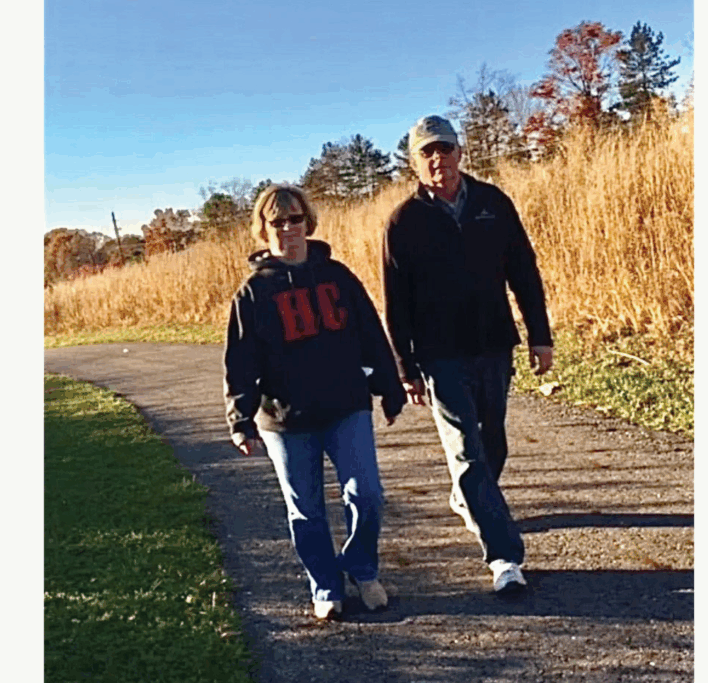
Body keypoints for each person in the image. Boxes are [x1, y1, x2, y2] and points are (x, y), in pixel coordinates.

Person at [381, 115, 554, 595]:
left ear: (459, 152)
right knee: (466, 449)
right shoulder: (404, 221)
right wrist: (405, 368)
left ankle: (469, 499)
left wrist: (540, 334)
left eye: (445, 149)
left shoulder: (492, 204)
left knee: (493, 440)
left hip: (494, 344)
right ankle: (503, 557)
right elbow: (396, 302)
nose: (438, 160)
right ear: (415, 163)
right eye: (426, 153)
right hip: (440, 355)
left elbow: (524, 270)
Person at [224, 183, 406, 621]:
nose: (287, 228)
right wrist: (241, 419)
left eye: (295, 219)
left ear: (308, 222)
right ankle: (325, 584)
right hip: (286, 420)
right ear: (263, 230)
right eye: (277, 221)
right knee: (305, 511)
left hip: (347, 405)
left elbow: (369, 332)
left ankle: (362, 570)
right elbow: (240, 362)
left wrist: (390, 385)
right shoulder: (252, 293)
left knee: (367, 495)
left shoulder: (337, 276)